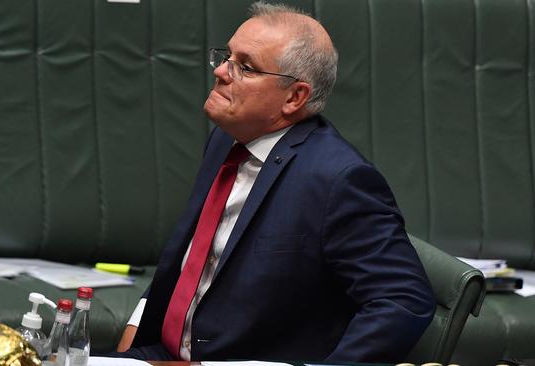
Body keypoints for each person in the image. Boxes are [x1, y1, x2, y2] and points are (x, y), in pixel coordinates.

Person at [110, 1, 435, 363]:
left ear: (294, 97)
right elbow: (196, 254)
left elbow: (403, 299)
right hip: (161, 352)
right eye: (225, 56)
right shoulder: (227, 139)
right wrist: (137, 327)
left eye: (244, 67)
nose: (220, 72)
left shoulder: (339, 180)